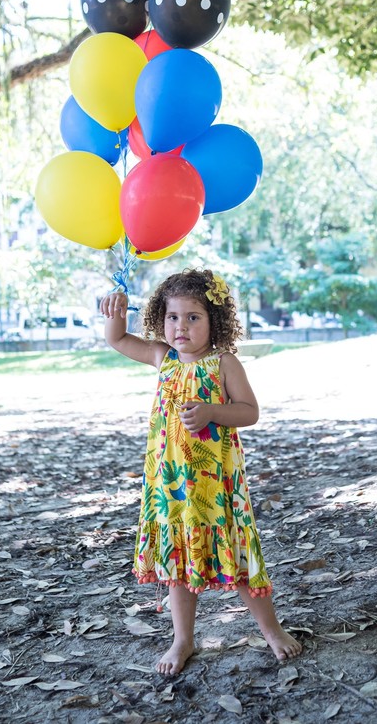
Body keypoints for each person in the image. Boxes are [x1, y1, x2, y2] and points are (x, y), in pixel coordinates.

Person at [101, 268, 302, 675]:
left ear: (215, 321)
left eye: (193, 317)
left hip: (216, 484)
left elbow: (250, 411)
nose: (181, 327)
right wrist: (114, 311)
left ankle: (271, 630)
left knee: (239, 557)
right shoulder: (164, 358)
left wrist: (213, 411)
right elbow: (117, 339)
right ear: (162, 319)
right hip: (172, 483)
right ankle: (183, 639)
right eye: (173, 317)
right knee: (178, 565)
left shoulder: (223, 364)